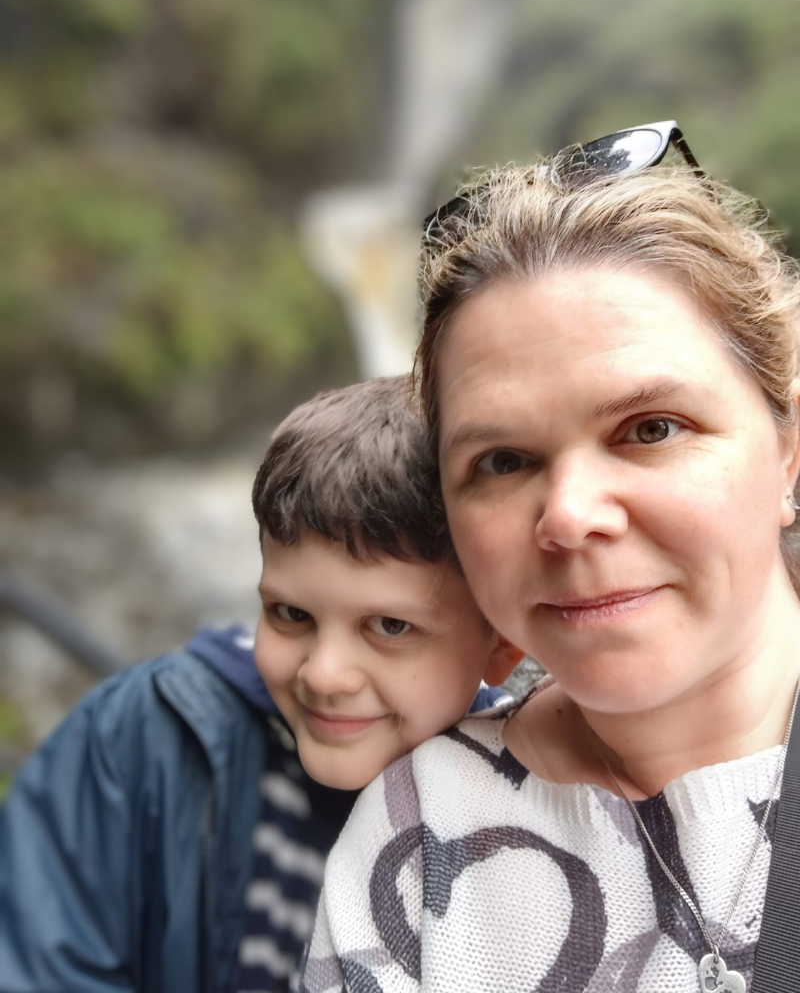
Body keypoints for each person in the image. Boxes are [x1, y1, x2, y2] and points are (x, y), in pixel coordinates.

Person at [302, 121, 800, 993]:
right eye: (502, 462)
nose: (568, 517)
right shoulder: (417, 839)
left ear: (788, 449)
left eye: (650, 429)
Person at [0, 374, 519, 993]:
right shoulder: (139, 739)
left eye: (389, 625)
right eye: (291, 614)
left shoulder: (542, 807)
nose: (323, 674)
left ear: (502, 641)